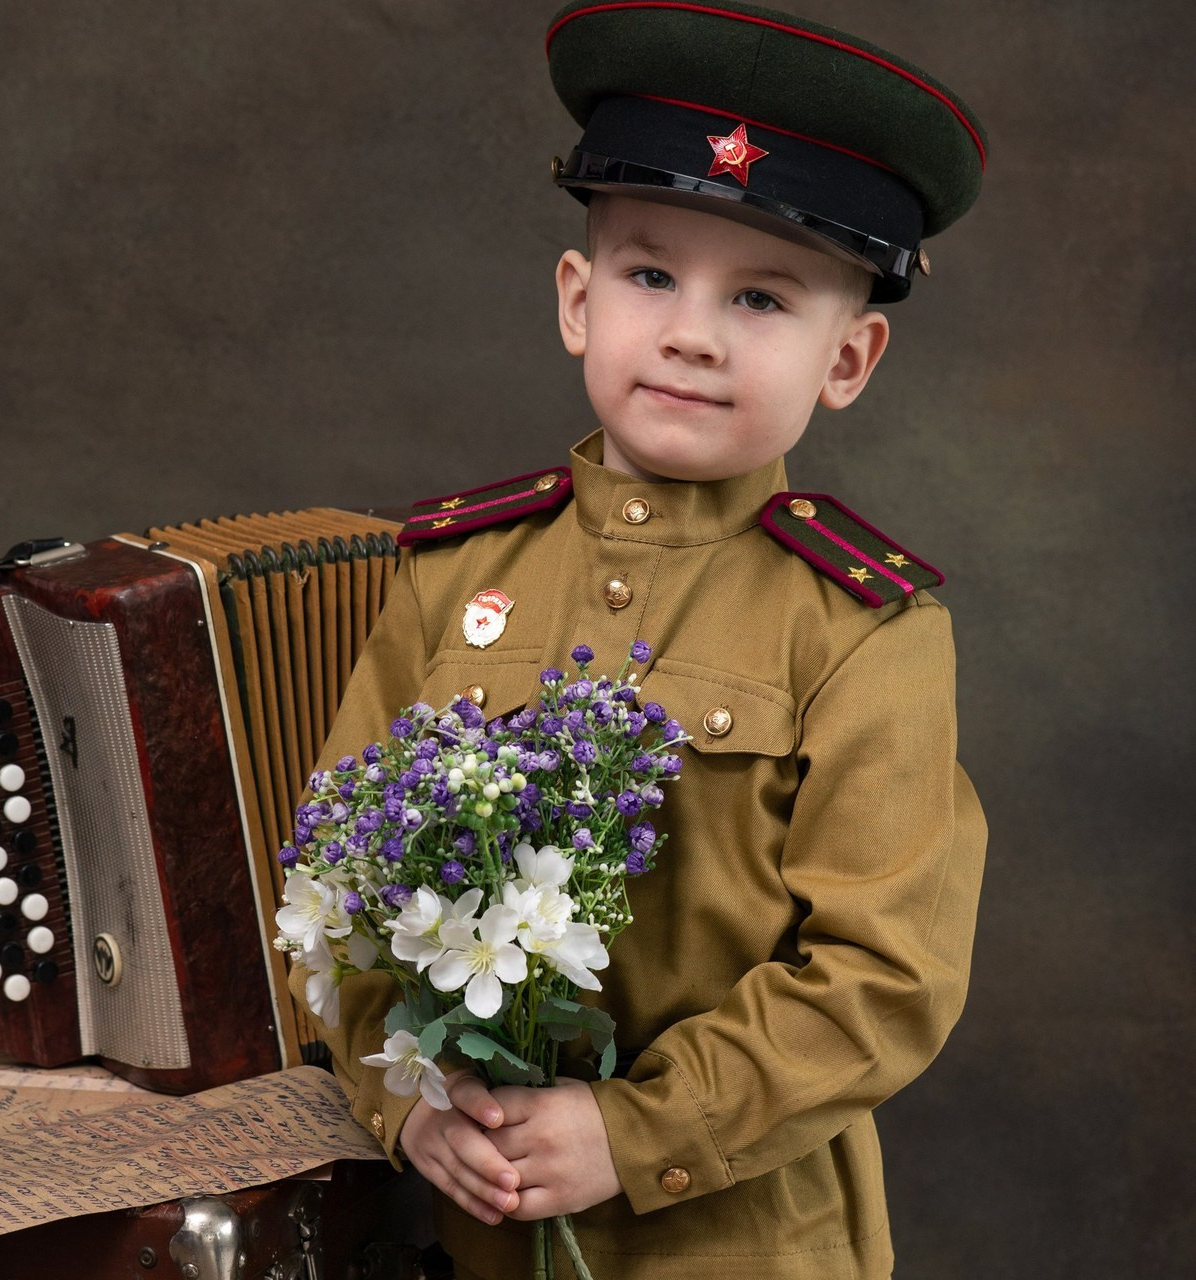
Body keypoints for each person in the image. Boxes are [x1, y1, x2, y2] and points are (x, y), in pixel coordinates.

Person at [289, 3, 988, 1276]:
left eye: (763, 296)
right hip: (470, 1229)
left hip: (742, 1244)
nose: (690, 331)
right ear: (577, 297)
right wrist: (405, 1101)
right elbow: (335, 882)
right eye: (650, 273)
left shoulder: (861, 629)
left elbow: (883, 978)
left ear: (850, 358)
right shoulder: (453, 573)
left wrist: (633, 1129)